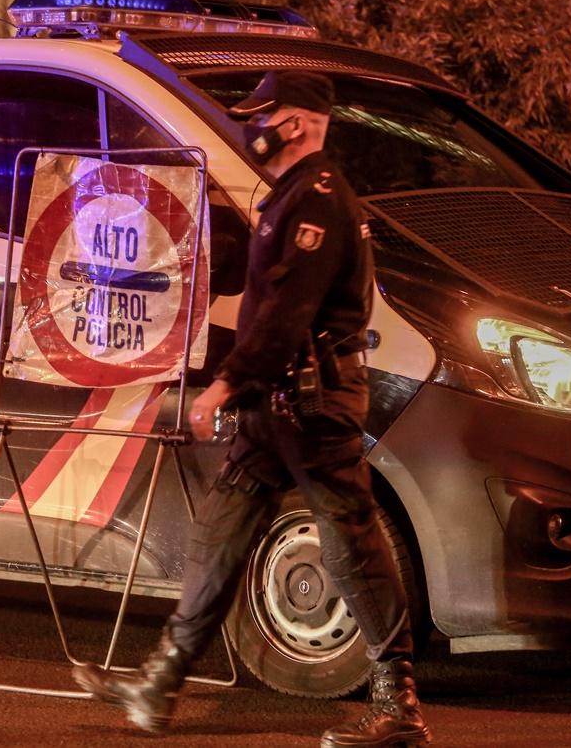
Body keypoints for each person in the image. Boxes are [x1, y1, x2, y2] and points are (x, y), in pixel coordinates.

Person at [72, 71, 431, 748]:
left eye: (261, 116)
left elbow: (288, 317)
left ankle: (398, 703)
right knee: (223, 529)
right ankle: (161, 681)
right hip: (281, 403)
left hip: (313, 404)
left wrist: (222, 386)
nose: (251, 127)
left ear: (295, 124)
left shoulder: (318, 202)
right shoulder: (294, 195)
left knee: (350, 539)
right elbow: (267, 299)